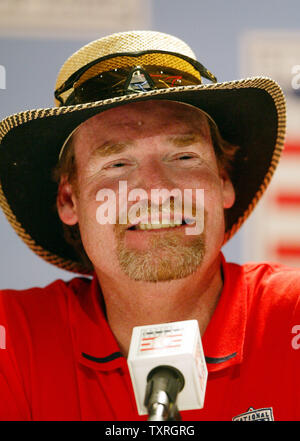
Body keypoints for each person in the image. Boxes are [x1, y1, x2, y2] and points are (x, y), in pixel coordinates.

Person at [0, 30, 299, 422]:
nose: (157, 191)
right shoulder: (15, 340)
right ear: (69, 200)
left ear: (223, 181)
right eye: (117, 164)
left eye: (183, 156)